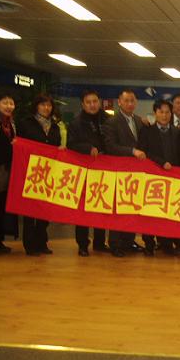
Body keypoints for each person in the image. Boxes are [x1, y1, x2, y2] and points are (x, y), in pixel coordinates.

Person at [103, 89, 146, 258]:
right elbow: (110, 146)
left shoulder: (139, 121)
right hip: (119, 173)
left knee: (133, 208)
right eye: (126, 100)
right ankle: (115, 243)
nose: (130, 104)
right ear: (119, 102)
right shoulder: (111, 122)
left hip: (136, 175)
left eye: (132, 101)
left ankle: (129, 241)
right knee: (118, 209)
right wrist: (132, 151)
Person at [18, 93, 62, 256]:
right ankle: (29, 245)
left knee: (44, 210)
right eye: (43, 105)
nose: (46, 108)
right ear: (36, 106)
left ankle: (42, 242)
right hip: (31, 172)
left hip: (48, 173)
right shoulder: (26, 123)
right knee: (30, 211)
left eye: (49, 105)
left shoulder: (55, 127)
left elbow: (56, 146)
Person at [67, 89, 110, 257]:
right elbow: (71, 144)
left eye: (95, 101)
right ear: (82, 104)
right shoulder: (76, 123)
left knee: (101, 206)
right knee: (83, 210)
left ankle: (100, 242)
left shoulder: (107, 120)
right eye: (88, 102)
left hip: (104, 171)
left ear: (99, 102)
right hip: (84, 170)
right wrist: (88, 148)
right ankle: (83, 244)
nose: (92, 105)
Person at [138, 100, 180, 256]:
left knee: (168, 213)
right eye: (161, 112)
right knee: (150, 213)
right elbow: (144, 153)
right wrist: (161, 162)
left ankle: (166, 244)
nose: (164, 115)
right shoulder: (146, 132)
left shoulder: (177, 132)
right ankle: (149, 244)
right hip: (152, 180)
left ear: (171, 114)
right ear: (155, 113)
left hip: (172, 180)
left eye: (167, 112)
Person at [0, 93, 16, 257]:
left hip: (5, 172)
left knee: (0, 208)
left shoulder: (11, 123)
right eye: (5, 103)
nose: (8, 106)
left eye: (11, 103)